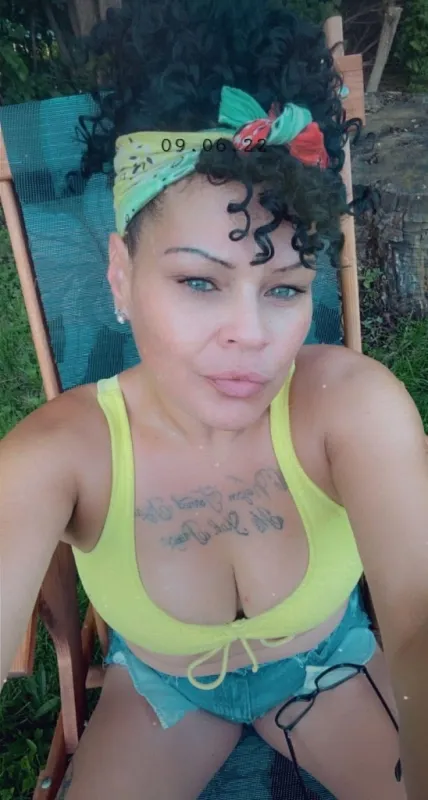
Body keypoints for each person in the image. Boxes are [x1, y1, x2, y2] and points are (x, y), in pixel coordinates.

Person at [1, 1, 428, 798]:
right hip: (159, 697)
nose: (251, 337)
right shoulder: (59, 455)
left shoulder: (350, 409)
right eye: (199, 282)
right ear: (121, 275)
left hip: (326, 672)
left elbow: (419, 617)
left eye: (285, 288)